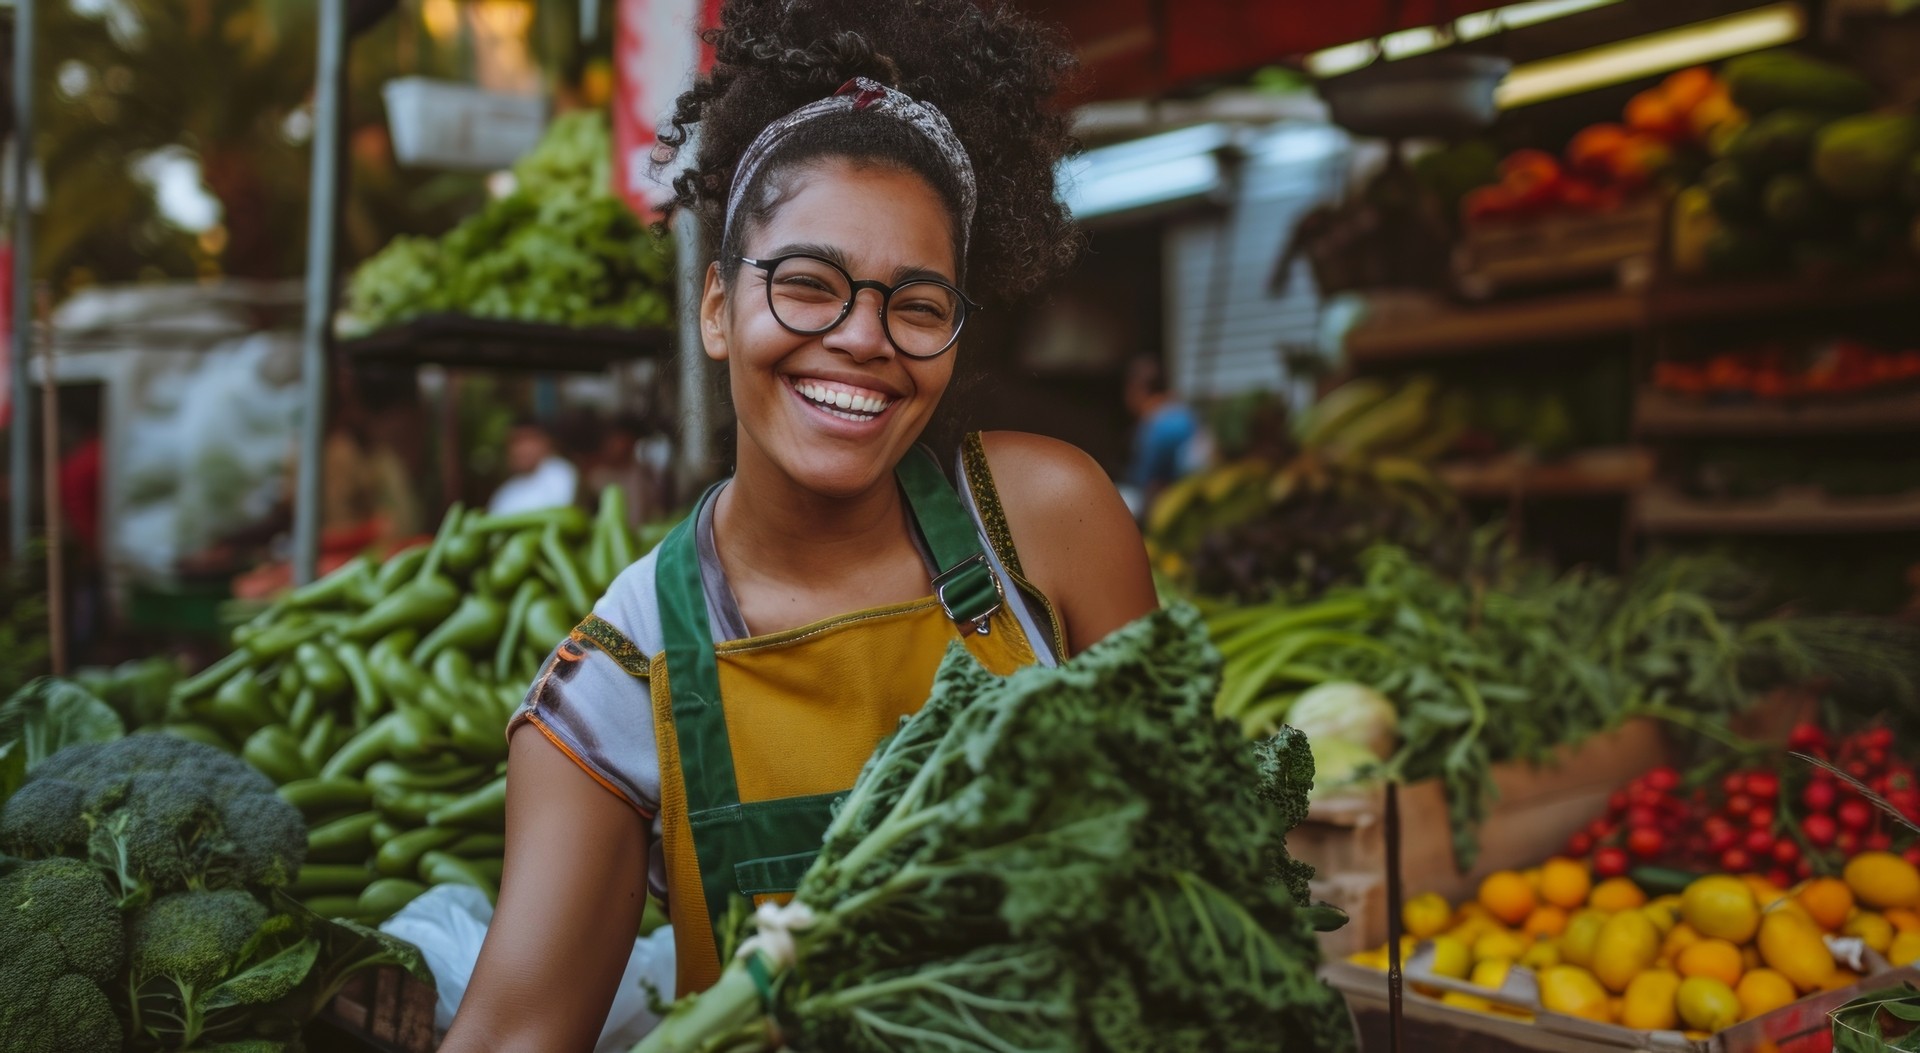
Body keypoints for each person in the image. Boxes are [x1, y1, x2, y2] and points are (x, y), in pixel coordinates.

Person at [440, 2, 1157, 1048]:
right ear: (720, 307)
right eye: (809, 285)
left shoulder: (1045, 524)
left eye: (917, 305)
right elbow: (513, 1035)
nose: (864, 339)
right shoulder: (620, 676)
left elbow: (1180, 861)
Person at [1124, 355, 1203, 512]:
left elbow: (1148, 483)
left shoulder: (1155, 425)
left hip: (1172, 508)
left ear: (1137, 390)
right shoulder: (1185, 414)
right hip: (1197, 503)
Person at [486, 417, 581, 516]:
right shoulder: (504, 493)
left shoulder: (559, 473)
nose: (520, 449)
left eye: (527, 439)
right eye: (515, 442)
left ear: (545, 442)